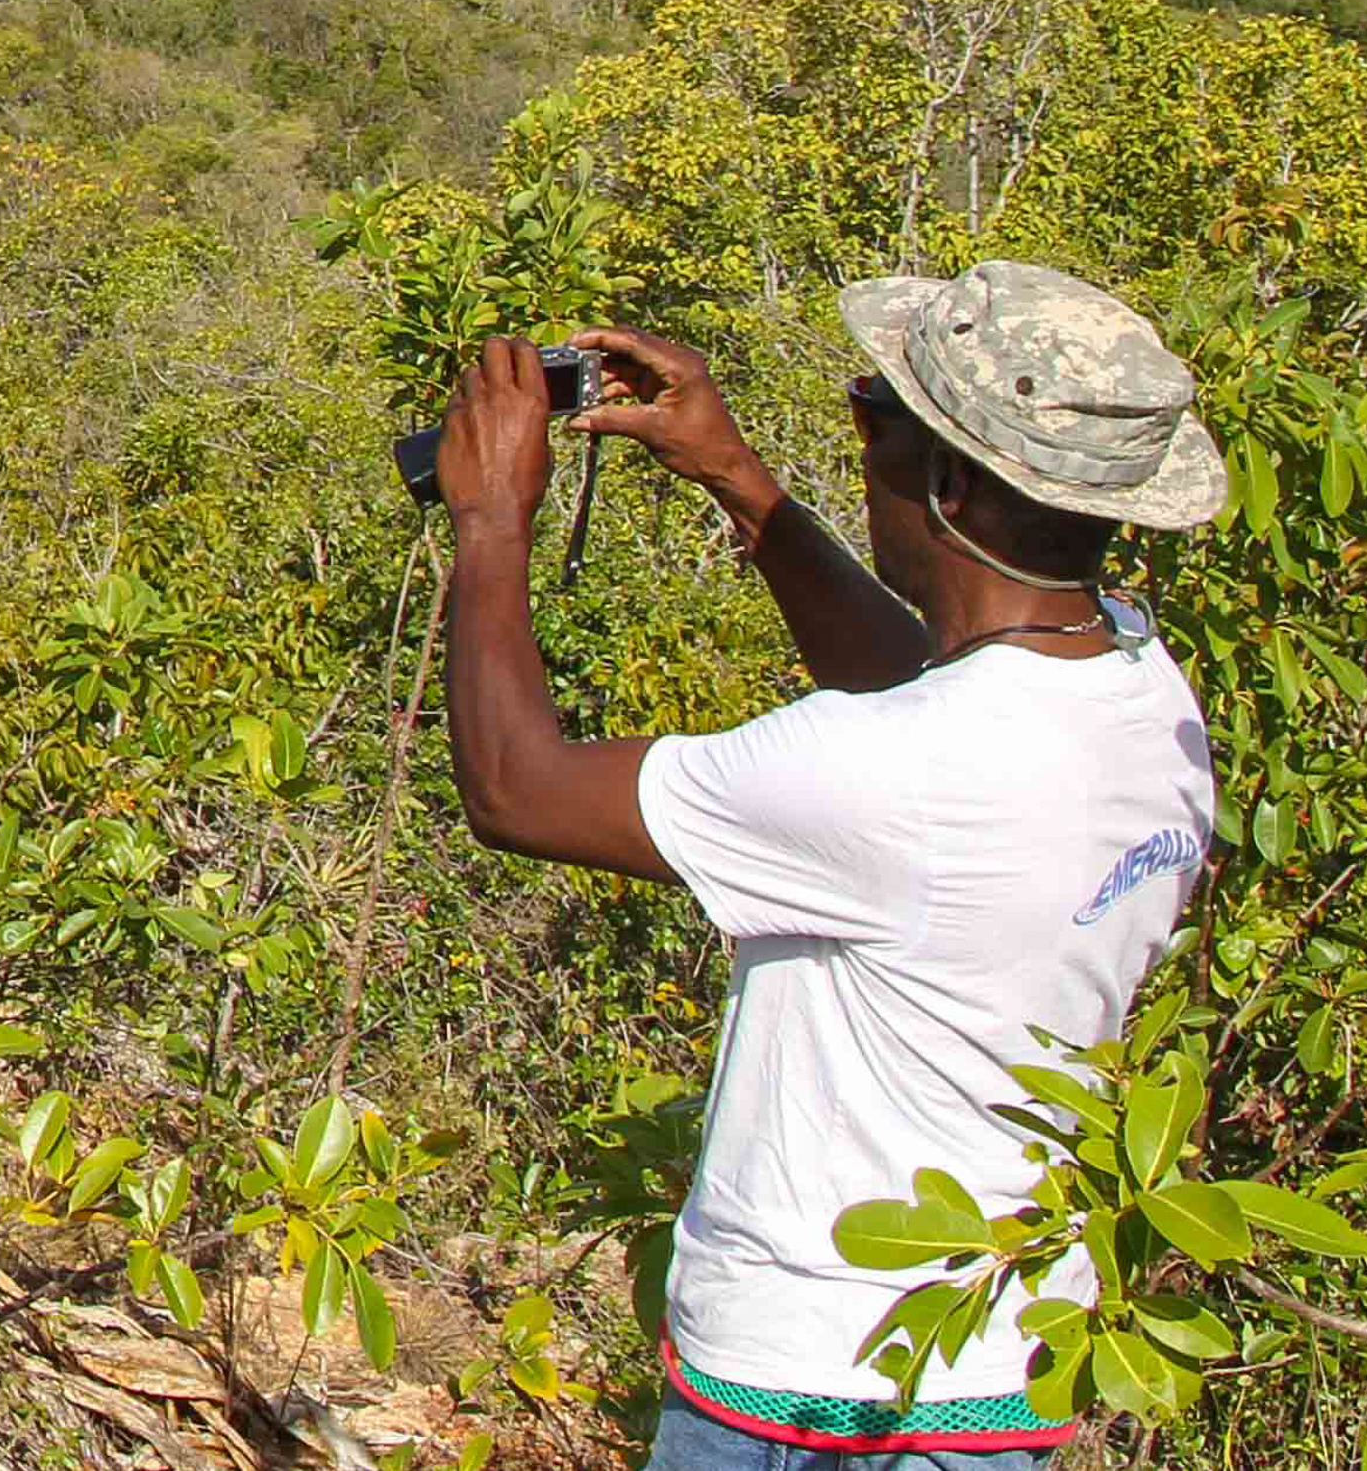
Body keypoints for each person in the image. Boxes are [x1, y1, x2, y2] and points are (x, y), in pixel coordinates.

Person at [432, 263, 1230, 1467]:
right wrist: (740, 488)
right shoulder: (1133, 684)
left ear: (948, 480)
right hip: (1001, 1357)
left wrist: (491, 520)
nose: (861, 437)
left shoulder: (892, 770)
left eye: (874, 413)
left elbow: (515, 789)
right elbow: (930, 679)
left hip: (814, 1392)